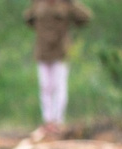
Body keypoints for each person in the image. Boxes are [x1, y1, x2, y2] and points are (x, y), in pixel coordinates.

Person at [26, 0, 93, 133]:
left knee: (59, 86)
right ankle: (48, 121)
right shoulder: (38, 4)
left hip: (61, 52)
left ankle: (58, 121)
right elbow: (28, 19)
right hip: (42, 52)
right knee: (45, 86)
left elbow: (85, 18)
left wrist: (72, 3)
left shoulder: (66, 4)